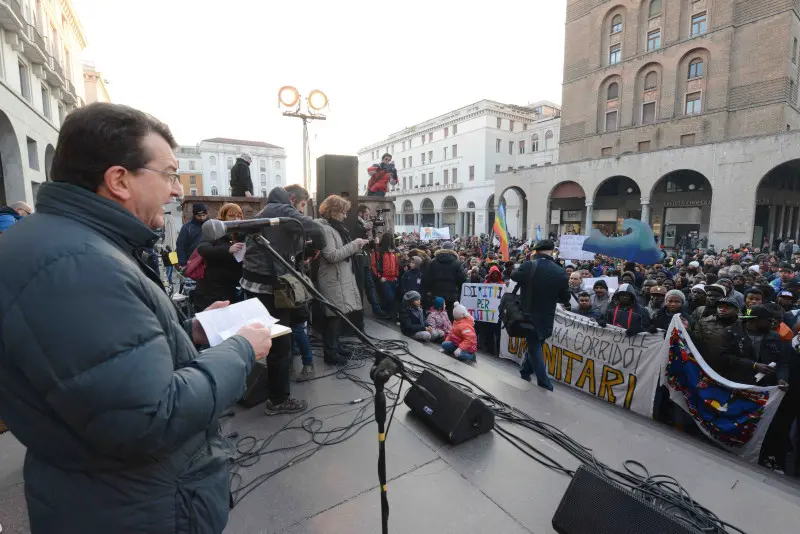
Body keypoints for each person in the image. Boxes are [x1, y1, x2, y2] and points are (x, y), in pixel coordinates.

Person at [0, 102, 273, 533]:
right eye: (167, 173)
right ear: (119, 180)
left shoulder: (63, 244)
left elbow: (106, 366)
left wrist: (193, 332)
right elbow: (147, 416)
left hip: (106, 497)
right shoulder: (78, 265)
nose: (177, 190)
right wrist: (240, 350)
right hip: (138, 508)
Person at [242, 184, 325, 415]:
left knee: (265, 340)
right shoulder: (284, 210)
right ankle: (277, 401)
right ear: (291, 200)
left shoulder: (261, 213)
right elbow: (316, 230)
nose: (299, 209)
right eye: (300, 205)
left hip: (252, 285)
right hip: (272, 287)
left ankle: (270, 387)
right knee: (281, 343)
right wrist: (318, 247)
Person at [315, 195, 369, 364]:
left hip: (339, 276)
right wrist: (355, 245)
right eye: (343, 212)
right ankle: (330, 354)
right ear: (335, 211)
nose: (345, 216)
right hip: (332, 278)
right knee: (333, 316)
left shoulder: (334, 227)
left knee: (338, 315)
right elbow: (331, 255)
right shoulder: (326, 229)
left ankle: (335, 347)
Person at [511, 240, 570, 390]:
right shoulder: (560, 271)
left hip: (528, 313)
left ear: (536, 251)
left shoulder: (530, 265)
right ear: (552, 251)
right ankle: (525, 371)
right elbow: (565, 298)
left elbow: (514, 276)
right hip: (547, 315)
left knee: (534, 346)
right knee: (536, 343)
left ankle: (544, 383)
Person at [192, 202, 245, 311]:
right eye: (232, 216)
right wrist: (228, 250)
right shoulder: (214, 230)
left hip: (232, 288)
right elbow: (203, 248)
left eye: (239, 215)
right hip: (211, 290)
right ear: (224, 216)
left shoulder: (243, 233)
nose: (236, 218)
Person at [691, 297, 741, 375]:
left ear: (736, 310)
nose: (722, 309)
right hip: (708, 366)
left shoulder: (742, 325)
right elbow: (696, 343)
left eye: (727, 307)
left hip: (735, 367)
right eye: (720, 307)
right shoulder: (703, 322)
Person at [354, 204, 385, 318]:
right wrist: (365, 229)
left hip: (366, 259)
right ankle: (359, 313)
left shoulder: (365, 225)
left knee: (370, 285)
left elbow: (369, 243)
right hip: (359, 259)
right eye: (366, 214)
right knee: (360, 286)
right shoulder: (356, 224)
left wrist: (373, 241)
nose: (367, 217)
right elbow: (356, 237)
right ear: (360, 214)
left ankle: (376, 309)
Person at [424, 240, 466, 320]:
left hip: (436, 292)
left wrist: (428, 290)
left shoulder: (433, 261)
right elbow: (462, 278)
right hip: (451, 293)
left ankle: (437, 330)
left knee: (436, 314)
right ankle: (449, 331)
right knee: (450, 314)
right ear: (453, 249)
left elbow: (427, 277)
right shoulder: (456, 262)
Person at [371, 232, 400, 318]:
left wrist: (395, 276)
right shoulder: (379, 251)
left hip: (392, 278)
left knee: (390, 298)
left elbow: (396, 264)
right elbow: (373, 265)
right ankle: (386, 313)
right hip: (384, 278)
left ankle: (388, 314)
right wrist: (380, 276)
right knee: (389, 298)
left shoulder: (393, 251)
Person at [176, 202, 207, 266]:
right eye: (199, 216)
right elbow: (180, 246)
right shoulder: (187, 227)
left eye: (204, 215)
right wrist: (183, 263)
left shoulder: (211, 224)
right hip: (192, 262)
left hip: (208, 261)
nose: (202, 218)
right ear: (194, 215)